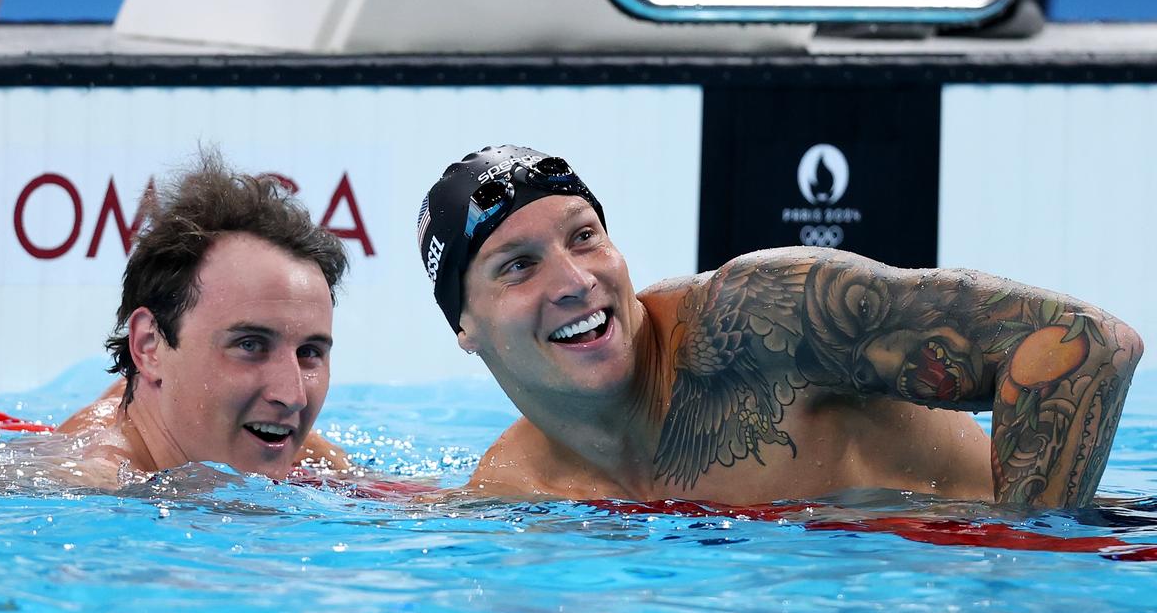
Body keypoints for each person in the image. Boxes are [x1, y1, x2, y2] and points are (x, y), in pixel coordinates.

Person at [416, 145, 1143, 509]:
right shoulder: (519, 489)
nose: (576, 282)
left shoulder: (769, 319)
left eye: (584, 237)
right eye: (519, 266)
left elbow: (1086, 344)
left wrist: (1023, 582)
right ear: (466, 326)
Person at [57, 153, 351, 488]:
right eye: (250, 345)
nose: (293, 396)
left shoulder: (316, 460)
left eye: (309, 352)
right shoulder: (83, 489)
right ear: (149, 347)